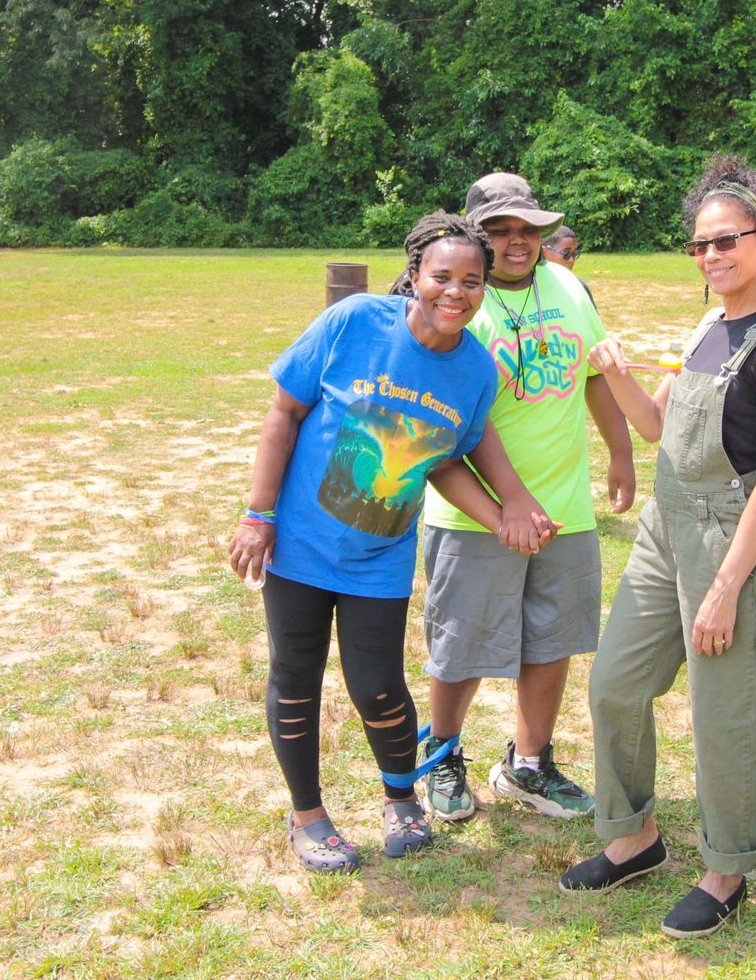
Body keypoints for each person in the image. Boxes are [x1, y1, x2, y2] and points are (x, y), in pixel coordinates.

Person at [227, 214, 552, 874]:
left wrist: (503, 515)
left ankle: (401, 800)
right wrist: (257, 516)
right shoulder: (354, 324)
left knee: (377, 686)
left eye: (471, 280)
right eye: (441, 277)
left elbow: (446, 461)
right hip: (301, 545)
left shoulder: (474, 371)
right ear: (415, 277)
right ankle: (309, 817)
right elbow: (283, 413)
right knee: (295, 679)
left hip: (379, 554)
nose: (454, 292)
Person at [558, 159, 756, 941]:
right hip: (666, 529)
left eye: (726, 242)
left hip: (730, 534)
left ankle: (726, 868)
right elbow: (656, 427)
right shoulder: (707, 324)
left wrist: (729, 586)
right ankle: (633, 838)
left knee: (724, 709)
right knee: (615, 683)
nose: (711, 257)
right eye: (700, 246)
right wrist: (612, 372)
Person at [419, 173, 637, 823]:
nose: (518, 242)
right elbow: (448, 421)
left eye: (529, 230)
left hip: (564, 506)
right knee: (460, 645)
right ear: (475, 236)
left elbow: (596, 374)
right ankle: (443, 757)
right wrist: (502, 506)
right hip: (473, 512)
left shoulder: (569, 286)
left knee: (552, 639)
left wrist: (621, 453)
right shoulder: (460, 305)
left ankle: (530, 764)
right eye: (500, 231)